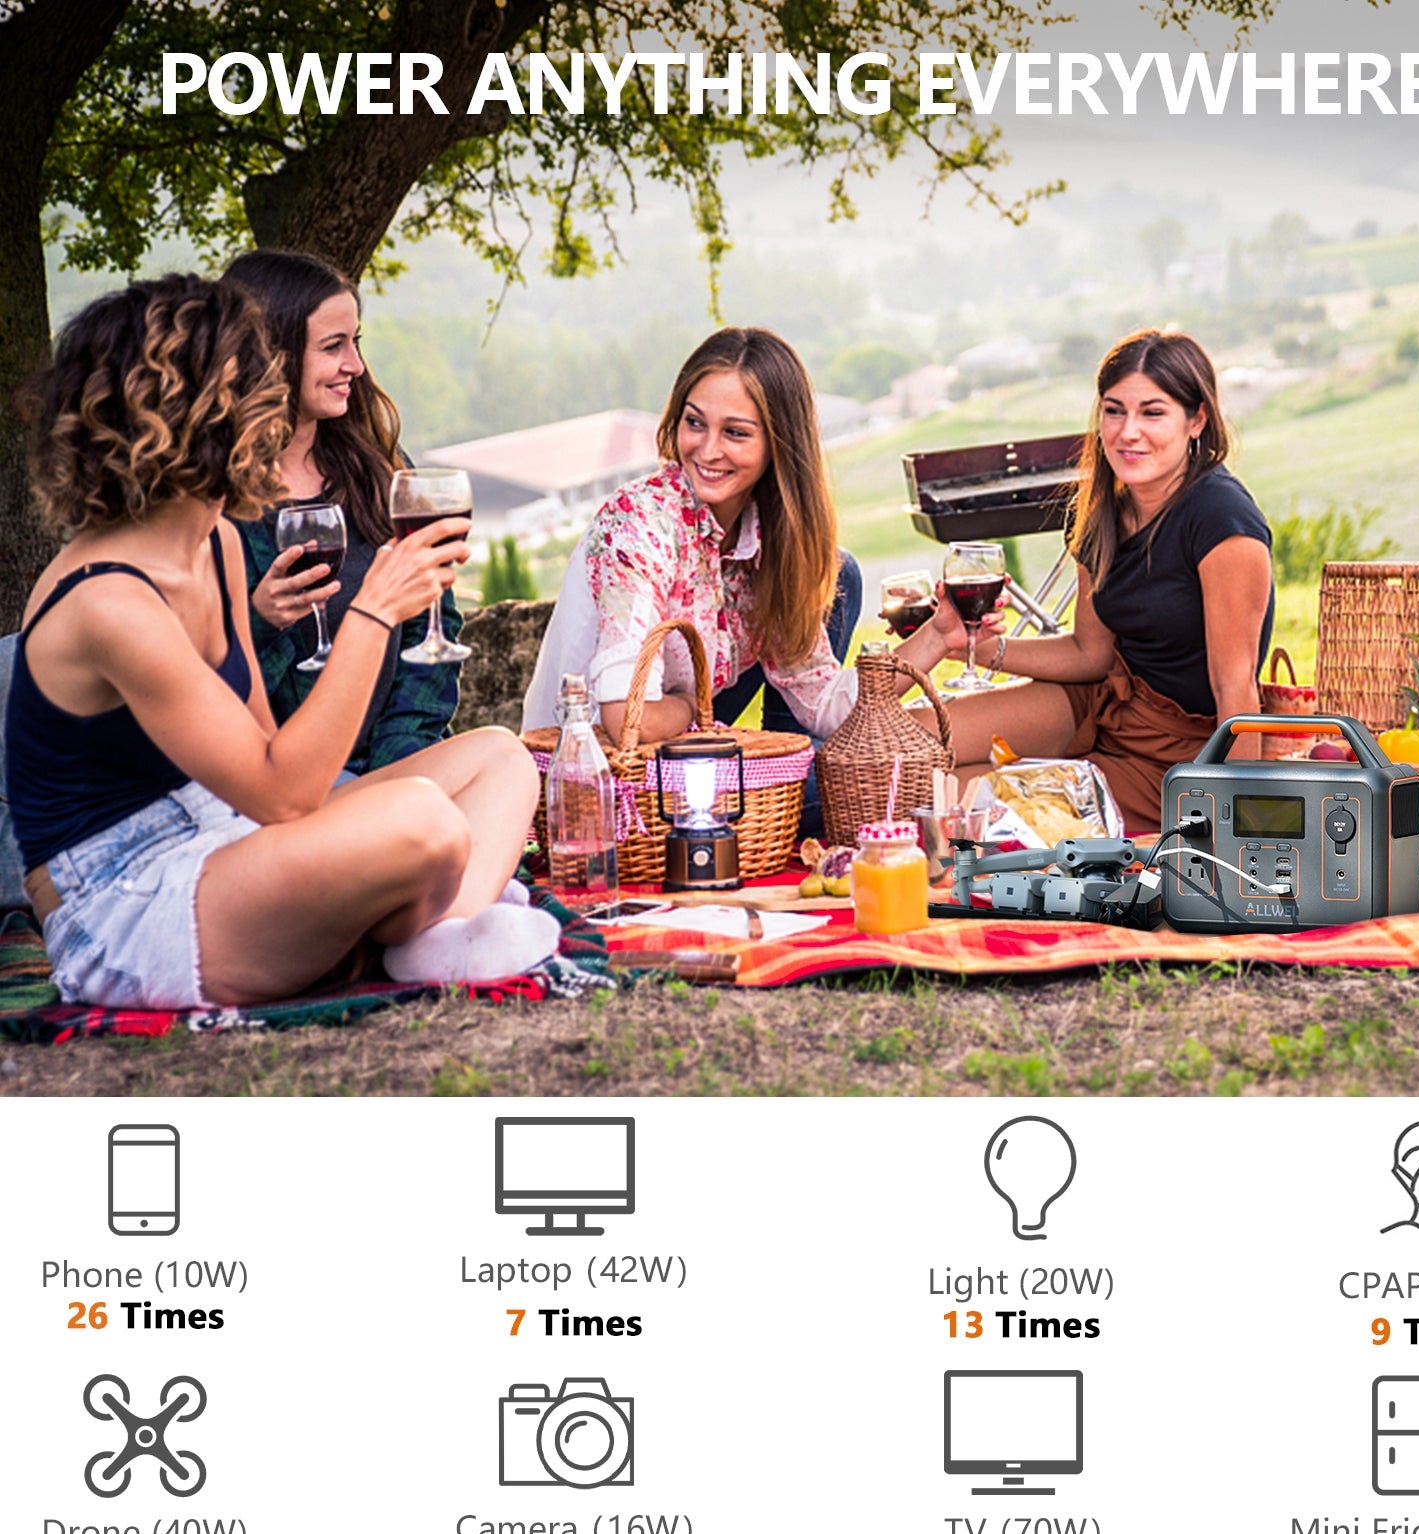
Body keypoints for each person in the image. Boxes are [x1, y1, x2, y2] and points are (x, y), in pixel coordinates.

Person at [6, 275, 548, 1011]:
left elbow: (270, 758)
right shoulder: (110, 600)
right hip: (129, 902)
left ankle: (431, 932)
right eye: (263, 389)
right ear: (208, 415)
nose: (284, 412)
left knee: (499, 757)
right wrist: (376, 612)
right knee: (424, 820)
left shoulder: (217, 544)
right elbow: (286, 798)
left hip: (226, 832)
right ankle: (430, 930)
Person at [896, 328, 1275, 833]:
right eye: (1114, 410)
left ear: (1196, 419)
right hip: (1098, 701)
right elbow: (1089, 654)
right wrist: (975, 646)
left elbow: (1235, 687)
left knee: (960, 807)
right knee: (906, 755)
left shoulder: (1222, 522)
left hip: (1175, 750)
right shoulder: (1104, 512)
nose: (1127, 431)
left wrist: (1236, 825)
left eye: (1152, 412)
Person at [522, 326, 862, 748]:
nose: (707, 449)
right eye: (695, 423)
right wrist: (688, 704)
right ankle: (789, 781)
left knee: (835, 571)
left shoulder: (767, 533)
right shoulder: (642, 522)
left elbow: (827, 703)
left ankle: (787, 764)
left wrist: (939, 635)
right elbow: (630, 721)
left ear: (779, 443)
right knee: (858, 777)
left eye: (735, 432)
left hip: (685, 742)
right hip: (603, 765)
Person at [221, 249, 462, 777]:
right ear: (271, 355)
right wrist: (260, 622)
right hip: (281, 781)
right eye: (333, 347)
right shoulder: (212, 505)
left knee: (505, 757)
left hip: (394, 765)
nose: (354, 364)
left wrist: (394, 765)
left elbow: (433, 632)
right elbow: (202, 692)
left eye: (356, 342)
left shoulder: (382, 470)